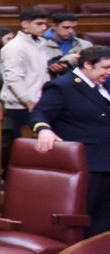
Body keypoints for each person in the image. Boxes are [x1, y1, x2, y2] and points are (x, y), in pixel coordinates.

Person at [31, 45, 110, 237]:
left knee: (106, 217)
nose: (108, 72)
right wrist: (43, 130)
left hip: (106, 160)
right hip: (89, 164)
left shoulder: (103, 85)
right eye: (105, 68)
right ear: (88, 65)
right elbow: (40, 113)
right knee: (87, 216)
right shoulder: (63, 86)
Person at [0, 7, 51, 177]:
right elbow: (13, 79)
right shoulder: (14, 47)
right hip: (20, 107)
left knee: (37, 151)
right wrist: (28, 101)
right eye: (39, 23)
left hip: (38, 102)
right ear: (24, 24)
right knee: (22, 151)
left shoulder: (40, 43)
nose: (44, 27)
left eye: (46, 24)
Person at [41, 11, 92, 77]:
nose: (71, 31)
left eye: (73, 28)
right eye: (66, 27)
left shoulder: (85, 45)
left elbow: (91, 68)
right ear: (54, 26)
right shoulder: (40, 44)